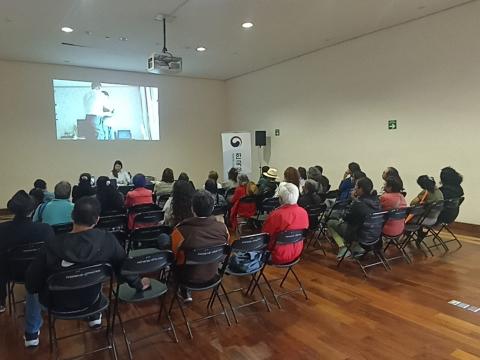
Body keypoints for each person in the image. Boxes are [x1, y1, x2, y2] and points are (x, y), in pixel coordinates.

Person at [24, 197, 150, 347]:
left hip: (56, 303)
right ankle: (94, 317)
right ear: (97, 220)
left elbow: (31, 284)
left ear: (72, 216)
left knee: (34, 284)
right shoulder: (107, 240)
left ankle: (31, 335)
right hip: (92, 300)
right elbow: (124, 267)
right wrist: (138, 283)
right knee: (93, 276)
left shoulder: (51, 245)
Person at [0, 191, 55, 315]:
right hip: (39, 271)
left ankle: (1, 301)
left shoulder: (2, 230)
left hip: (11, 273)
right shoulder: (45, 229)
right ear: (32, 210)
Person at [170, 190, 229, 302]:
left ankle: (184, 291)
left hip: (186, 277)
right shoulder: (223, 228)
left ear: (192, 209)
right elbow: (225, 250)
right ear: (212, 209)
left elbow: (173, 255)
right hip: (212, 274)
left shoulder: (180, 230)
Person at [327, 177, 381, 259]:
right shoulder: (377, 201)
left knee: (330, 222)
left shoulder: (357, 204)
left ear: (361, 189)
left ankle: (343, 247)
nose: (354, 188)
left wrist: (353, 201)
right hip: (374, 235)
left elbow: (346, 217)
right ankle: (355, 246)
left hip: (358, 234)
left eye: (356, 186)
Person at [262, 183, 309, 264]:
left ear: (280, 199)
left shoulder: (276, 214)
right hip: (297, 253)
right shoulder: (303, 212)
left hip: (276, 256)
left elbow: (265, 236)